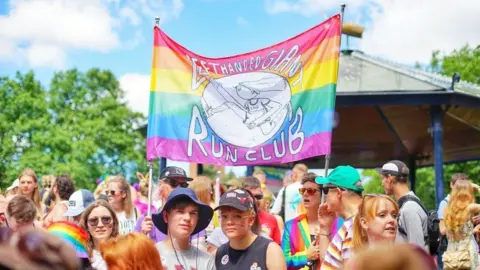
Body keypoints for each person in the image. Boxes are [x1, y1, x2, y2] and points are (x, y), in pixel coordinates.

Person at [282, 173, 343, 270]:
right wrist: (305, 257)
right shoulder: (291, 225)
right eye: (303, 190)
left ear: (323, 195)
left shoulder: (340, 224)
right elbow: (282, 261)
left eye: (311, 191)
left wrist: (326, 236)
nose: (305, 194)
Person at [214, 188, 287, 270]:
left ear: (251, 219)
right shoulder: (218, 254)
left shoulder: (270, 251)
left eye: (237, 216)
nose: (229, 222)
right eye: (224, 216)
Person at [152, 187, 215, 270]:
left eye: (193, 213)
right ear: (165, 216)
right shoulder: (150, 256)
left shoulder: (207, 261)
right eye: (180, 211)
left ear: (197, 219)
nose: (187, 218)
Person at [315, 165, 364, 270]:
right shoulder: (353, 222)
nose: (325, 196)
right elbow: (328, 264)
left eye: (326, 190)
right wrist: (324, 228)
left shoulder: (355, 225)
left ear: (338, 192)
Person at [136, 166, 197, 243]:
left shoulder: (192, 219)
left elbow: (199, 249)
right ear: (160, 185)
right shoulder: (146, 219)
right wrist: (142, 236)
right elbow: (133, 252)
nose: (179, 188)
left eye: (184, 185)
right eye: (173, 183)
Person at [377, 160, 428, 251]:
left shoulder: (409, 208)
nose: (382, 183)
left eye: (382, 179)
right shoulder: (408, 204)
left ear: (389, 179)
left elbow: (418, 253)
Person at [443, 180, 480, 269]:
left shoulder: (448, 210)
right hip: (467, 253)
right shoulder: (469, 208)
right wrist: (477, 187)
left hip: (452, 254)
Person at [79, 200, 120, 270]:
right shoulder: (80, 255)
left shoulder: (125, 251)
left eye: (106, 219)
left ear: (114, 222)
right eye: (93, 221)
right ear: (86, 225)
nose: (100, 225)